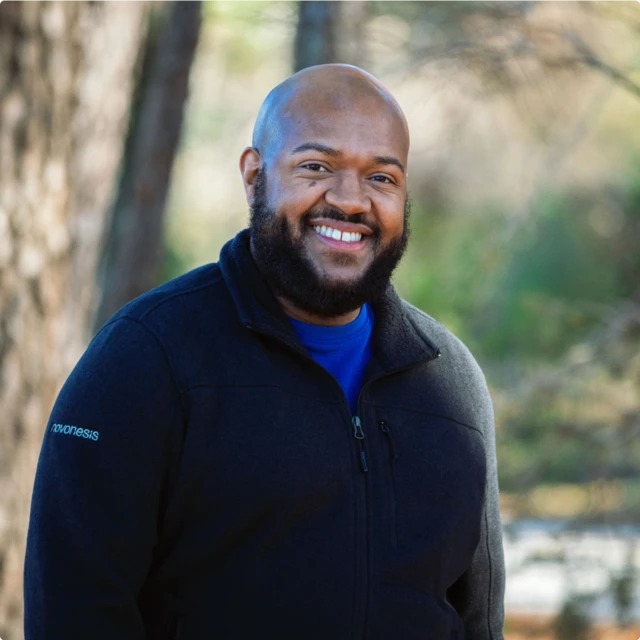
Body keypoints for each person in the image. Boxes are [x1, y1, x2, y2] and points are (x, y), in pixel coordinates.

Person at [24, 64, 505, 639]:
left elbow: (478, 622)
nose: (350, 201)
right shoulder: (145, 357)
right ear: (255, 177)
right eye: (316, 167)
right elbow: (73, 610)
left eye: (382, 177)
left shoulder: (450, 383)